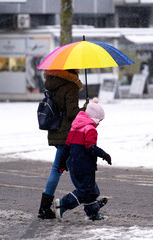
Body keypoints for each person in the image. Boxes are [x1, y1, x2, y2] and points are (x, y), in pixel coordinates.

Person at [37, 69, 85, 219]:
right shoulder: (70, 86)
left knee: (68, 167)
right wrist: (85, 110)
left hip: (56, 129)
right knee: (61, 168)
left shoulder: (52, 83)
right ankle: (45, 208)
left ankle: (89, 199)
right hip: (67, 133)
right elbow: (72, 113)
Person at [54, 101, 112, 221]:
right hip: (85, 166)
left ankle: (92, 213)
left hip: (74, 164)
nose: (99, 124)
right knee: (85, 191)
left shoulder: (75, 128)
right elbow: (91, 148)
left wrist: (62, 163)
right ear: (94, 118)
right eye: (99, 120)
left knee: (92, 190)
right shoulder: (90, 129)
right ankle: (62, 205)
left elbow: (66, 147)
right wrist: (104, 155)